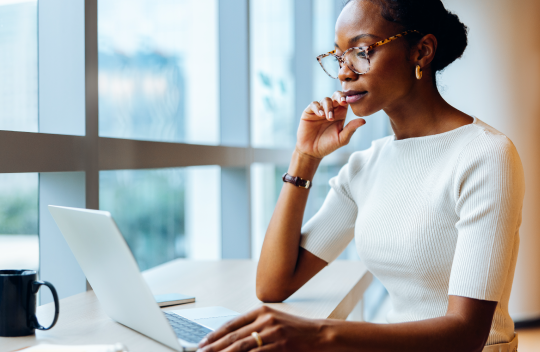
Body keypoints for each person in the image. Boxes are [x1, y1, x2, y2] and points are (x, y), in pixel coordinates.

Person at [198, 0, 525, 351]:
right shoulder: (365, 166)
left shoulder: (485, 154)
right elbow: (274, 284)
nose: (344, 71)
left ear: (422, 51)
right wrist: (304, 157)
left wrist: (318, 333)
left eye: (361, 50)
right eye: (339, 56)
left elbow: (466, 334)